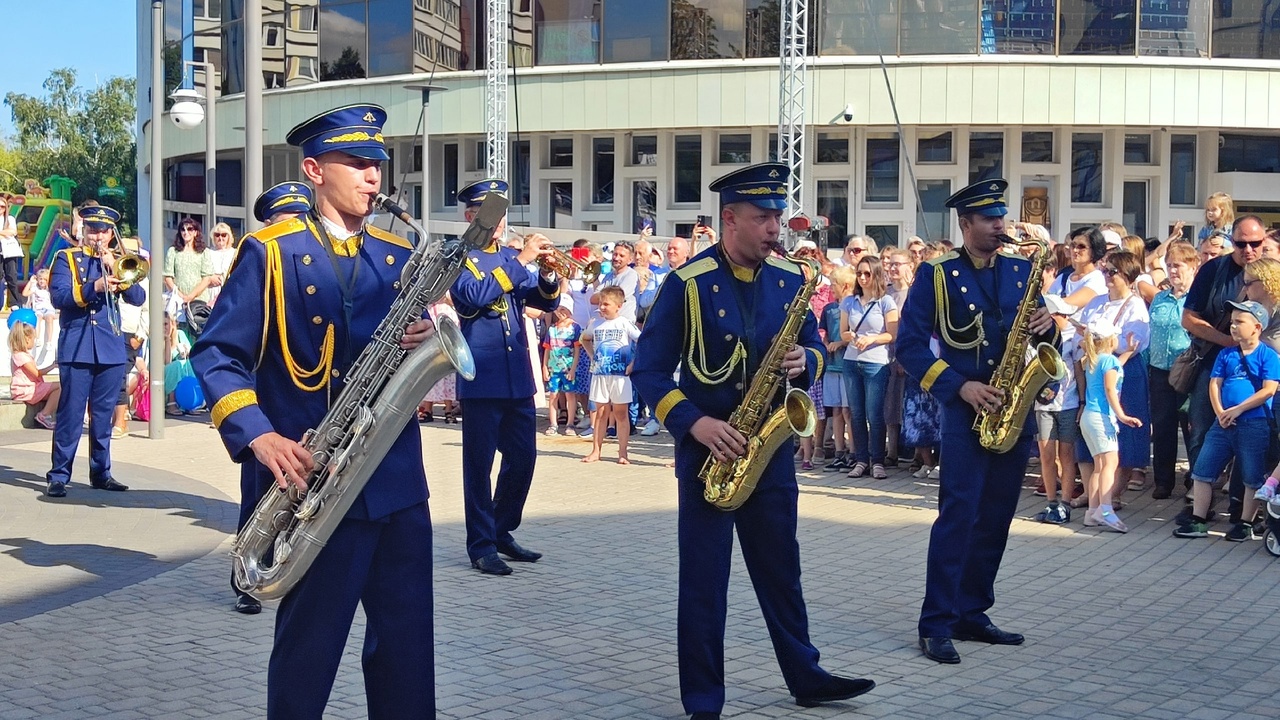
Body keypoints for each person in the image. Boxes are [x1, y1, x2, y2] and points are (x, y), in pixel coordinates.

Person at [191, 104, 439, 716]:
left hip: (397, 483)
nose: (372, 175)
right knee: (308, 656)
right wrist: (261, 438)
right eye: (355, 163)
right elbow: (218, 354)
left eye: (376, 163)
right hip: (316, 484)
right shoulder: (269, 250)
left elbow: (421, 342)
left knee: (408, 655)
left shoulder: (396, 250)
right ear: (313, 171)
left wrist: (429, 331)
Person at [633, 162, 875, 719]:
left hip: (770, 451)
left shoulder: (791, 279)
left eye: (776, 218)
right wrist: (696, 423)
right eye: (763, 218)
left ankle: (807, 676)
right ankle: (703, 701)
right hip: (708, 454)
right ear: (730, 219)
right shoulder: (686, 283)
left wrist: (805, 360)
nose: (775, 229)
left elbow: (816, 347)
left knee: (781, 573)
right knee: (704, 584)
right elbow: (648, 373)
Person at [896, 179, 1059, 665]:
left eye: (1001, 218)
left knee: (995, 519)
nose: (999, 227)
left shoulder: (1019, 269)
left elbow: (1043, 325)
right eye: (989, 219)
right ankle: (936, 622)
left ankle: (972, 611)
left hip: (1014, 406)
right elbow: (906, 346)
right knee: (958, 517)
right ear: (965, 224)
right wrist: (958, 387)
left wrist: (1049, 325)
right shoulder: (936, 273)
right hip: (965, 409)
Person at [451, 178, 559, 576]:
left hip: (517, 377)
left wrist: (548, 275)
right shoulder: (458, 257)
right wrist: (523, 259)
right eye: (490, 215)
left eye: (500, 216)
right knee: (478, 468)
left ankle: (500, 529)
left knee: (523, 460)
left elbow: (542, 301)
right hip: (482, 376)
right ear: (470, 217)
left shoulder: (511, 256)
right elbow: (473, 297)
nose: (498, 223)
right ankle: (480, 545)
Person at [44, 205, 143, 497]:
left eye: (103, 230)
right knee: (71, 415)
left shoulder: (118, 260)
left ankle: (101, 472)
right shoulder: (66, 258)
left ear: (111, 234)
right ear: (84, 231)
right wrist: (95, 286)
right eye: (92, 229)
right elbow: (59, 297)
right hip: (78, 347)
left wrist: (115, 267)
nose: (97, 235)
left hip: (111, 349)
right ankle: (59, 475)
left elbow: (138, 297)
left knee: (103, 417)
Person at [1173, 301, 1279, 540]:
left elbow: (1268, 390)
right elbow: (1215, 383)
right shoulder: (1226, 353)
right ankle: (1199, 519)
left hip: (1253, 422)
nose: (1233, 326)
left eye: (1239, 322)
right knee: (1203, 470)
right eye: (1232, 322)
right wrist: (1220, 411)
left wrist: (1239, 410)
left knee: (1252, 475)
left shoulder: (1268, 356)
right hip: (1223, 423)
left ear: (1257, 327)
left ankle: (1245, 522)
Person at [1075, 317, 1143, 532]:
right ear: (1110, 340)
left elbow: (1116, 367)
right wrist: (1122, 415)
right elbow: (1110, 389)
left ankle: (1092, 512)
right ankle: (1105, 510)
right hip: (1102, 417)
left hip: (1089, 416)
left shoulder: (1096, 360)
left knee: (1099, 465)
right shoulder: (1108, 361)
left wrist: (1129, 352)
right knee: (1110, 464)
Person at [1147, 242, 1199, 499]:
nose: (1172, 270)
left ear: (1192, 266)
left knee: (1190, 426)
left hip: (1187, 371)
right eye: (1169, 265)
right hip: (1159, 370)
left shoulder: (1197, 298)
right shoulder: (1160, 297)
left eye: (1177, 265)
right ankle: (1163, 481)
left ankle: (1195, 481)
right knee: (1163, 426)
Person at [839, 255, 899, 479]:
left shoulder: (885, 301)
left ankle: (877, 460)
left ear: (876, 275)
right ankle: (861, 459)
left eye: (867, 273)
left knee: (874, 414)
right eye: (859, 273)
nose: (863, 278)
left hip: (876, 362)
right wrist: (850, 336)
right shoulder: (849, 301)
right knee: (856, 413)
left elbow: (891, 334)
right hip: (852, 360)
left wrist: (871, 339)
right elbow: (843, 331)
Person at [582, 286, 640, 464]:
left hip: (620, 375)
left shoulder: (623, 323)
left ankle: (623, 453)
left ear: (618, 306)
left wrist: (633, 363)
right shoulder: (596, 324)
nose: (602, 307)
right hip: (600, 374)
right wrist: (593, 356)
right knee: (600, 413)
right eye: (600, 303)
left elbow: (642, 341)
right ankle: (595, 451)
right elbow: (584, 339)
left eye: (606, 304)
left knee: (620, 414)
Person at [8, 320, 59, 429]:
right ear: (26, 339)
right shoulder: (20, 356)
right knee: (60, 386)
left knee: (58, 388)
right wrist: (52, 366)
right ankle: (44, 415)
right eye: (33, 339)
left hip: (28, 388)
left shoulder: (22, 355)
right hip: (25, 390)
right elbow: (36, 373)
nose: (34, 342)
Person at [542, 306, 581, 436]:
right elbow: (547, 349)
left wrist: (573, 368)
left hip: (568, 367)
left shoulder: (575, 328)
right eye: (559, 310)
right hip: (554, 368)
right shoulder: (552, 329)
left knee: (570, 394)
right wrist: (545, 367)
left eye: (564, 309)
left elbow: (577, 351)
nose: (561, 313)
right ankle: (553, 424)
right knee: (553, 395)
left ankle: (570, 424)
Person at [0, 195, 22, 309]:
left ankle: (14, 303)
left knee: (11, 277)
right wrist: (4, 232)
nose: (0, 209)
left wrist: (2, 232)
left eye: (3, 207)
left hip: (9, 250)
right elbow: (7, 232)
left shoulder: (10, 219)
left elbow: (12, 231)